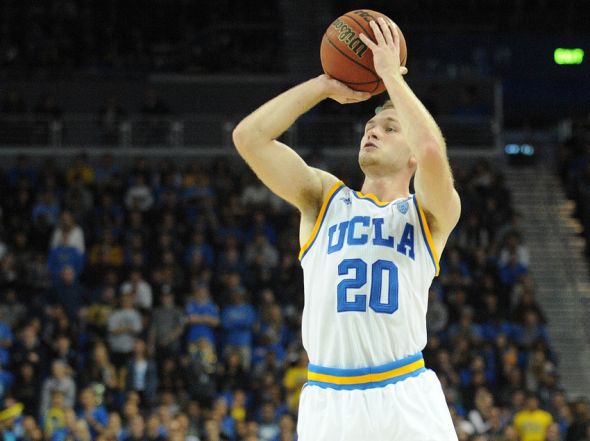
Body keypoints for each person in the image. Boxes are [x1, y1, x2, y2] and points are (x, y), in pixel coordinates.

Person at [233, 17, 461, 441]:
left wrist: (391, 77)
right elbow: (250, 137)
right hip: (329, 399)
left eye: (390, 128)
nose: (373, 131)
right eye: (370, 126)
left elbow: (430, 148)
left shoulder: (428, 214)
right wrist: (323, 85)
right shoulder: (323, 199)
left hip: (405, 394)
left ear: (410, 155)